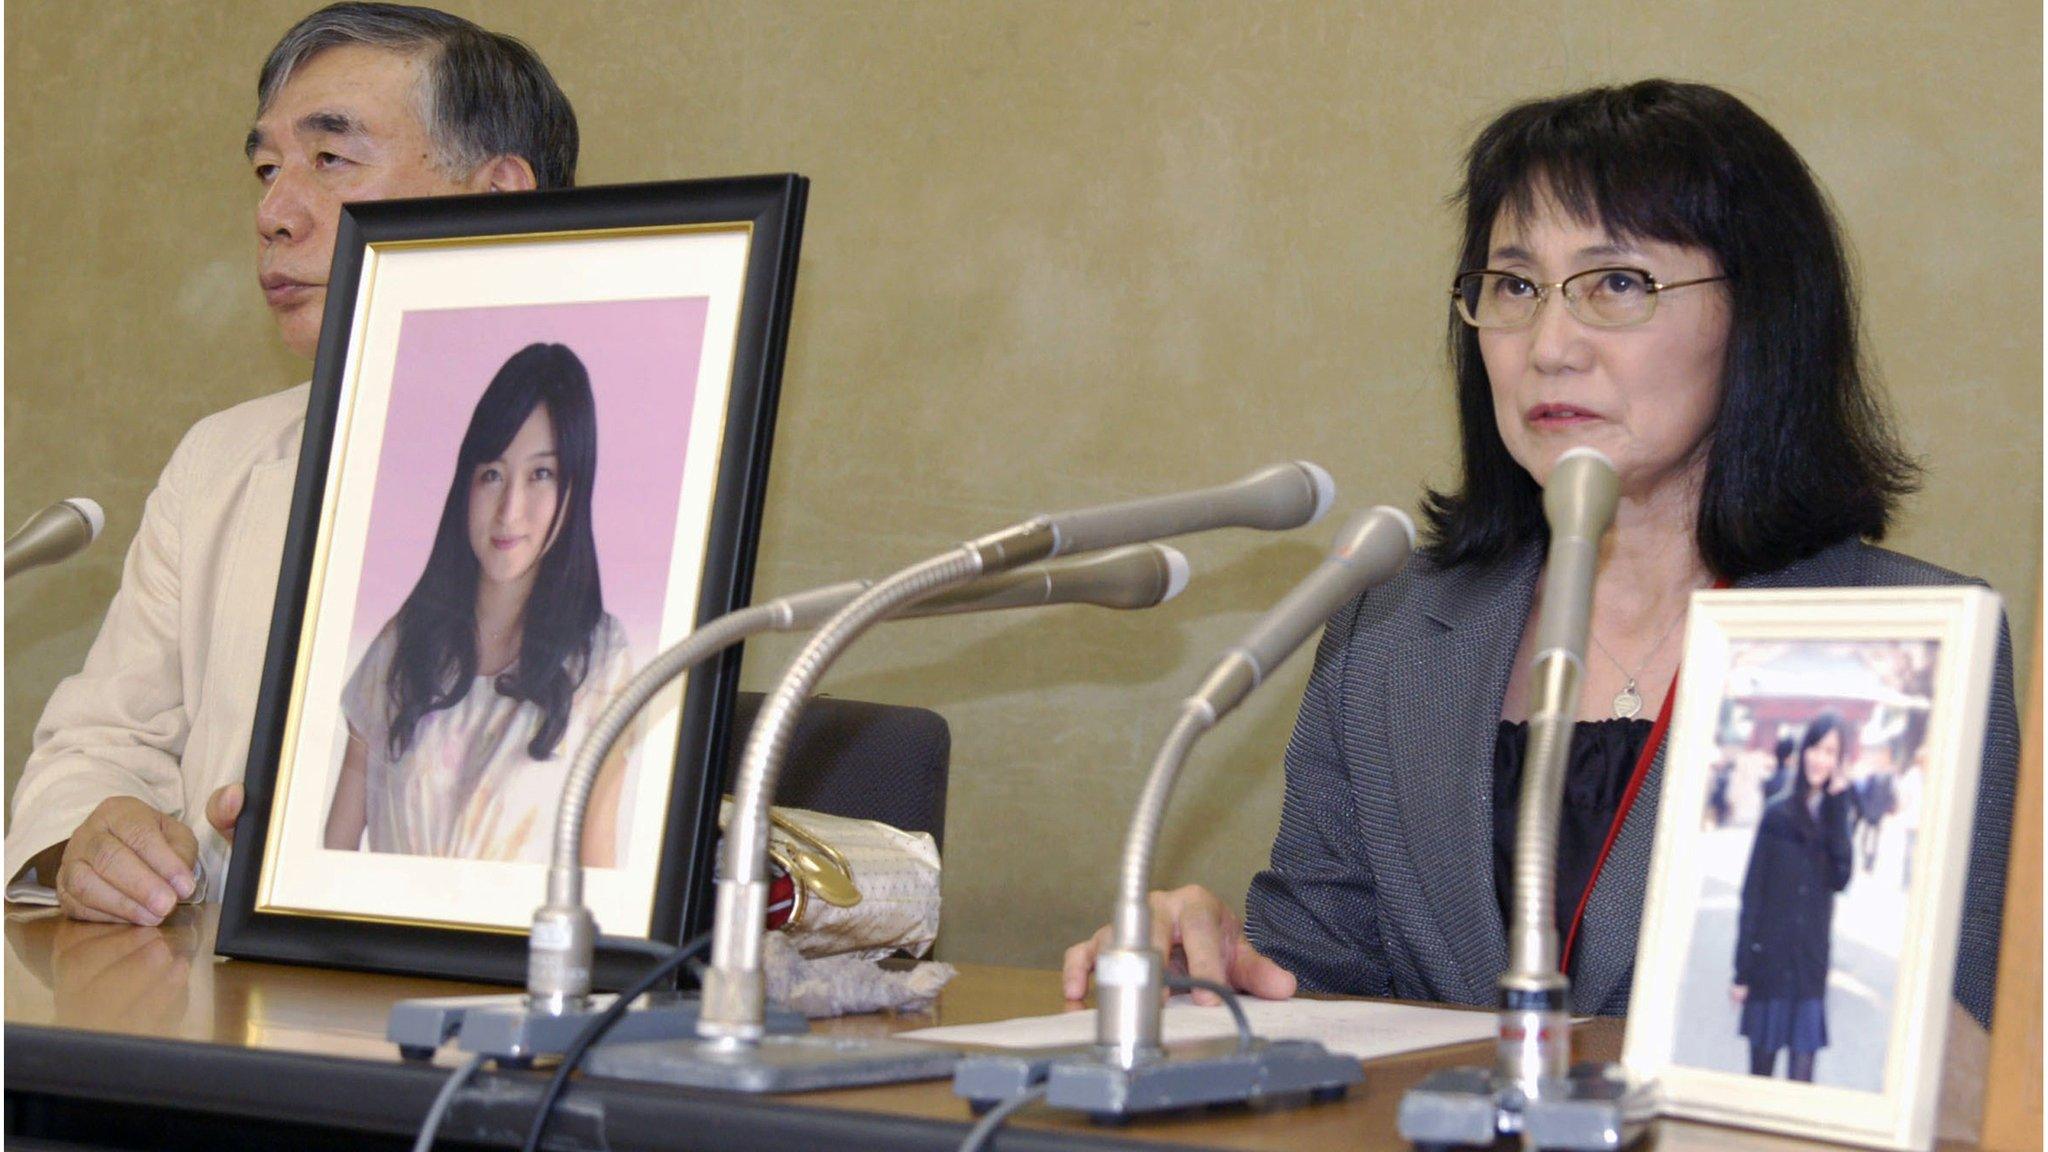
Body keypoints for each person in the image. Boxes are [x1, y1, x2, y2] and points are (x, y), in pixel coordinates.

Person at [1062, 80, 2018, 1034]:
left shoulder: (1894, 651)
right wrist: (1212, 967)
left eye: (1617, 284)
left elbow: (1935, 1052)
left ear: (1760, 313)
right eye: (1514, 287)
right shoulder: (1393, 627)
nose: (1550, 345)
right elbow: (1327, 984)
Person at [4, 2, 578, 924]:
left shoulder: (635, 464)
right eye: (268, 169)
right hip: (217, 1013)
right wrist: (92, 838)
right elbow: (101, 740)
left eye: (331, 160)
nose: (274, 213)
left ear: (496, 198)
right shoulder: (222, 459)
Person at [321, 344, 633, 865]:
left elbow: (597, 882)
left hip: (521, 946)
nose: (510, 511)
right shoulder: (403, 644)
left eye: (541, 475)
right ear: (465, 481)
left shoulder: (602, 660)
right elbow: (333, 855)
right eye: (492, 473)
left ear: (576, 488)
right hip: (382, 942)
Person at [1731, 712, 1856, 1081]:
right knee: (1760, 1080)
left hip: (1808, 966)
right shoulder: (1777, 815)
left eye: (1831, 752)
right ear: (1804, 753)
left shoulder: (1835, 818)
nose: (1821, 759)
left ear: (1839, 761)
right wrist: (1742, 971)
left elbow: (1841, 878)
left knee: (1801, 1082)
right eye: (1816, 749)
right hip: (1769, 964)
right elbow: (1752, 894)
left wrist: (1838, 810)